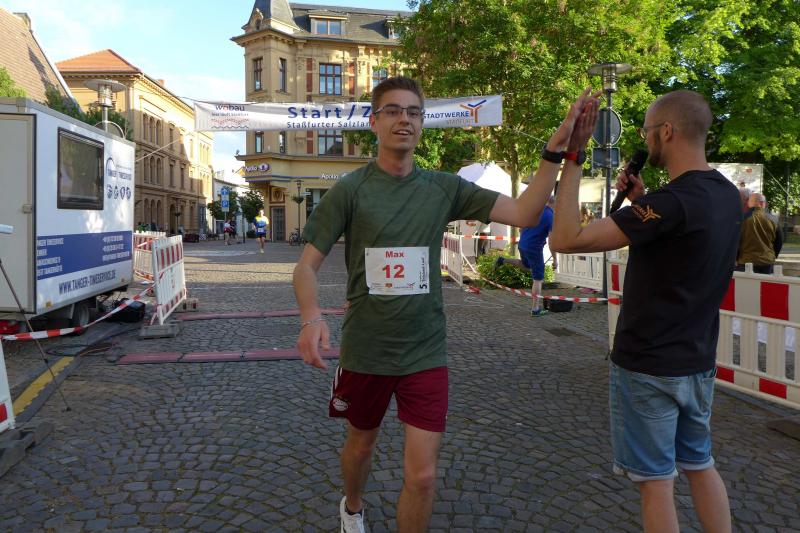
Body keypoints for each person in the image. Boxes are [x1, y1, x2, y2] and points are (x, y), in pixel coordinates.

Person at [293, 76, 600, 532]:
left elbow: (525, 213)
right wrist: (310, 317)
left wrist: (554, 153)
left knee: (423, 475)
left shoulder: (443, 188)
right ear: (374, 122)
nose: (404, 120)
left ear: (422, 123)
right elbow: (305, 267)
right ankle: (352, 507)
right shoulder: (351, 190)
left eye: (413, 112)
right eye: (393, 111)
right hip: (367, 350)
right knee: (360, 446)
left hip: (425, 351)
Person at [550, 89, 738, 533]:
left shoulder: (668, 203)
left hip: (648, 363)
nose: (645, 138)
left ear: (666, 131)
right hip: (697, 361)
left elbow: (565, 239)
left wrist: (573, 159)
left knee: (655, 482)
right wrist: (641, 200)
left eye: (646, 131)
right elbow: (680, 236)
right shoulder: (728, 195)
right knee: (700, 464)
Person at [494, 195, 556, 316]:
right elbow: (552, 242)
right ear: (554, 204)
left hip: (523, 244)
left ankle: (503, 260)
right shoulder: (550, 216)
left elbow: (521, 229)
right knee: (538, 279)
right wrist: (555, 259)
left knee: (526, 265)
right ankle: (535, 309)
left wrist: (527, 237)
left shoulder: (535, 211)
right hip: (534, 248)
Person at [736, 193, 782, 274]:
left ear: (748, 203)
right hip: (767, 262)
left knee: (745, 282)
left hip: (745, 261)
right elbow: (779, 242)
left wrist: (736, 258)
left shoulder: (741, 219)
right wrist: (772, 256)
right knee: (766, 282)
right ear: (762, 203)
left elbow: (735, 241)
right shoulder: (774, 219)